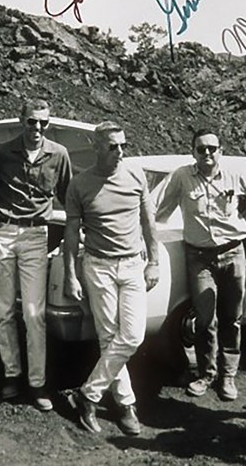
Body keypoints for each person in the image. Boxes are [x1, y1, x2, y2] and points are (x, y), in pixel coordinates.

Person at [0, 99, 72, 412]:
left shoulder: (59, 155)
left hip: (37, 235)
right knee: (4, 309)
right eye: (32, 122)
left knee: (35, 314)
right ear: (21, 121)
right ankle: (12, 374)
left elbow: (68, 196)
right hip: (1, 234)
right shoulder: (0, 151)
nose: (37, 128)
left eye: (43, 123)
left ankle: (37, 383)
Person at [155, 128, 246, 401]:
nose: (207, 153)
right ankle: (206, 374)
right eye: (201, 149)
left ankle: (228, 376)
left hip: (233, 253)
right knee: (205, 319)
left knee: (233, 317)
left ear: (221, 151)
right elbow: (157, 208)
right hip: (199, 257)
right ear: (193, 151)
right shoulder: (181, 177)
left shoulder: (235, 174)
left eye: (212, 148)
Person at [63, 121, 159, 435]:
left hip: (132, 264)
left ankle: (87, 394)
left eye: (123, 145)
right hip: (98, 266)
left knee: (132, 336)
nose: (119, 152)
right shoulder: (80, 184)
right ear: (96, 147)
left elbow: (149, 222)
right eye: (112, 146)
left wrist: (154, 262)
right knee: (109, 338)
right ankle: (126, 405)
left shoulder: (135, 175)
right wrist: (70, 275)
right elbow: (71, 233)